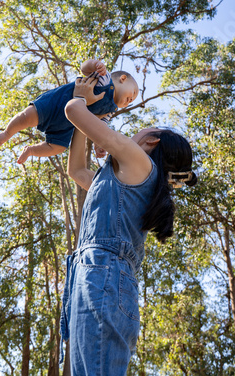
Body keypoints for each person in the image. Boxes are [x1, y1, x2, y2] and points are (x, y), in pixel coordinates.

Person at [60, 74, 197, 375]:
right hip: (95, 277)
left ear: (151, 141)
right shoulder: (119, 176)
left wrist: (83, 97)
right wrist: (91, 114)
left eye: (143, 131)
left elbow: (72, 111)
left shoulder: (141, 162)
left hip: (104, 278)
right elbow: (77, 170)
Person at [0, 59, 139, 163]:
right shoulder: (105, 79)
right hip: (57, 103)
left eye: (133, 100)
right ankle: (7, 132)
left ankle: (31, 150)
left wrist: (98, 144)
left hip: (66, 125)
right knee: (27, 117)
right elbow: (85, 69)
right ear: (123, 79)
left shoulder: (110, 111)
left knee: (57, 148)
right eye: (133, 93)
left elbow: (99, 126)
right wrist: (94, 64)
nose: (131, 99)